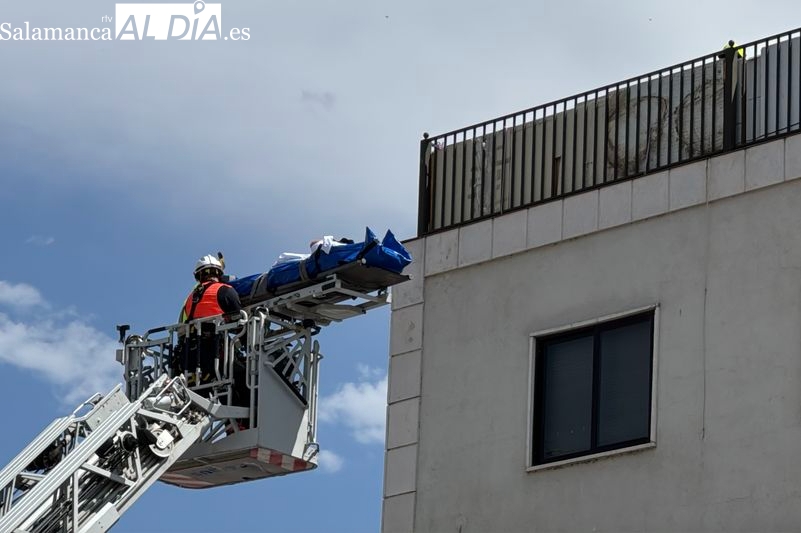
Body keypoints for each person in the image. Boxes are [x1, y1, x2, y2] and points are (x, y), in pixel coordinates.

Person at [173, 254, 243, 389]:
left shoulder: (191, 297)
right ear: (219, 274)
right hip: (214, 355)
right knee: (245, 376)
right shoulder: (225, 291)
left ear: (198, 276)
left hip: (189, 357)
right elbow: (240, 321)